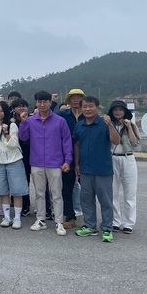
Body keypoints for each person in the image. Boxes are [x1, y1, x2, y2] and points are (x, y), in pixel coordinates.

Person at [18, 90, 71, 236]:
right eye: (39, 102)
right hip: (36, 162)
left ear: (50, 102)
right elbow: (23, 138)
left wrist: (68, 160)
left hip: (55, 163)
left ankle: (59, 222)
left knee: (56, 194)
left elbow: (67, 142)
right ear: (36, 103)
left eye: (45, 101)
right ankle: (40, 219)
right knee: (39, 193)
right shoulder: (30, 120)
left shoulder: (60, 121)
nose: (42, 104)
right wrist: (22, 122)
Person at [73, 96, 120, 243]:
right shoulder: (79, 126)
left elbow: (116, 141)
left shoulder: (105, 124)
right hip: (85, 169)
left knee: (105, 200)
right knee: (86, 199)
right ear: (81, 109)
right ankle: (90, 226)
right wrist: (76, 164)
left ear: (97, 107)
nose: (87, 109)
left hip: (103, 169)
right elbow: (77, 146)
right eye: (84, 107)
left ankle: (107, 228)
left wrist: (110, 125)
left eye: (90, 106)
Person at [0, 101, 28, 229]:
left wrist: (6, 132)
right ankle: (7, 217)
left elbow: (13, 144)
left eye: (1, 111)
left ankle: (17, 218)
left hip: (14, 162)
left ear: (5, 112)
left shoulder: (12, 125)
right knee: (3, 191)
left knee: (17, 191)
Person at [108, 100, 140, 234]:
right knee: (113, 192)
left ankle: (128, 223)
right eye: (115, 109)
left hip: (128, 158)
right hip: (113, 157)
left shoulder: (130, 125)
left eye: (120, 110)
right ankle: (115, 221)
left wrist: (129, 127)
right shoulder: (108, 125)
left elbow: (135, 144)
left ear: (125, 111)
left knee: (130, 193)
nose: (118, 112)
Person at [56, 88, 85, 229]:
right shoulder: (62, 115)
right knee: (66, 188)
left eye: (78, 97)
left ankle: (89, 218)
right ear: (68, 100)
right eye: (72, 97)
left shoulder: (88, 114)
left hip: (85, 157)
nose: (75, 99)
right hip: (66, 156)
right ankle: (70, 216)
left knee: (87, 189)